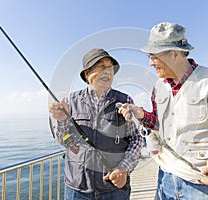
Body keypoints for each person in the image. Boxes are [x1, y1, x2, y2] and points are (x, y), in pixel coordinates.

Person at [118, 22, 208, 199]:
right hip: (165, 178)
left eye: (153, 56)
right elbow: (160, 124)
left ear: (174, 53)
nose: (150, 63)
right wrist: (141, 114)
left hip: (203, 186)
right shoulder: (159, 87)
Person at [48, 48, 142, 200]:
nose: (107, 71)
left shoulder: (125, 101)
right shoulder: (70, 102)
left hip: (114, 189)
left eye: (110, 67)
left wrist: (124, 168)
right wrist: (61, 120)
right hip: (76, 189)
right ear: (87, 74)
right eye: (101, 66)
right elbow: (64, 140)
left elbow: (135, 139)